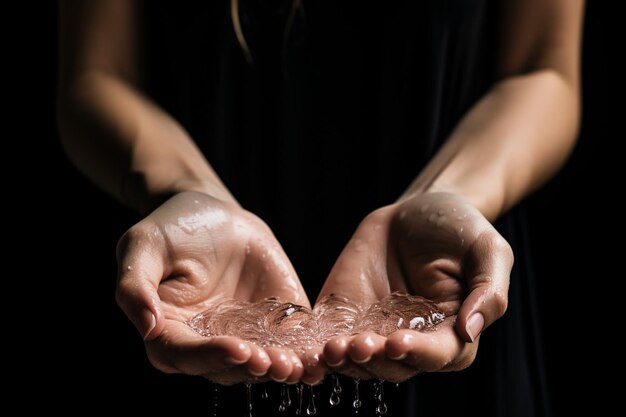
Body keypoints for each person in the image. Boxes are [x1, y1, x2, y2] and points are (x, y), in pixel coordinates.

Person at [57, 0, 583, 415]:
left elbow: (544, 72)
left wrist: (452, 194)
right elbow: (96, 74)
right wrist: (187, 189)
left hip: (438, 272)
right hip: (194, 278)